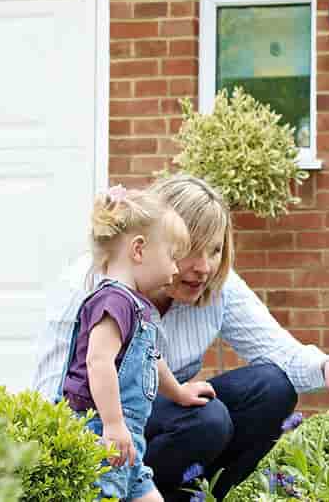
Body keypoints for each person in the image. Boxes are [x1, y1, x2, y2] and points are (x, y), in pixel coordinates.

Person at [35, 174, 329, 501]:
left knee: (271, 388)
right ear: (152, 245)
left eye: (215, 251)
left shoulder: (218, 285)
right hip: (103, 432)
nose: (204, 267)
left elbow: (275, 349)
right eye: (191, 249)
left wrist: (328, 367)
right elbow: (57, 393)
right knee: (208, 419)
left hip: (156, 427)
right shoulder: (93, 289)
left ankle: (195, 496)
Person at [60, 185, 216, 501]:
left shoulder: (135, 305)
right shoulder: (113, 300)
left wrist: (180, 393)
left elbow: (150, 358)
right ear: (139, 250)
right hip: (100, 437)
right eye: (172, 257)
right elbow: (98, 362)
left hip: (129, 443)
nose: (175, 269)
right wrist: (113, 424)